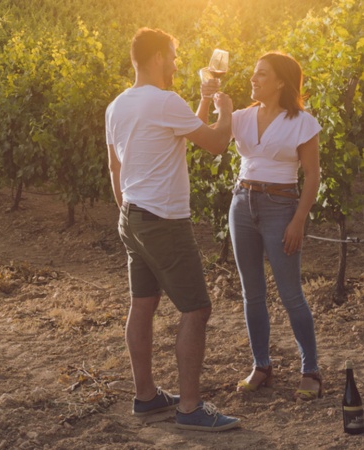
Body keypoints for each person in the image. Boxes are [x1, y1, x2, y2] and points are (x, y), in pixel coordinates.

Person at [105, 27, 240, 431]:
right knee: (197, 308)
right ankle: (191, 409)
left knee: (143, 304)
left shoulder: (118, 105)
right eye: (174, 56)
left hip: (132, 216)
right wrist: (226, 109)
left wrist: (201, 101)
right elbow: (215, 142)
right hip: (164, 220)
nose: (178, 64)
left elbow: (119, 165)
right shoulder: (163, 101)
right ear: (159, 57)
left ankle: (145, 397)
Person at [228, 52, 322, 399]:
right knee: (251, 293)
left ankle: (310, 369)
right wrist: (208, 98)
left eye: (262, 74)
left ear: (281, 81)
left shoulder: (302, 122)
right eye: (254, 73)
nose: (254, 79)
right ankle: (261, 365)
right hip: (241, 203)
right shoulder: (240, 116)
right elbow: (206, 136)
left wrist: (299, 219)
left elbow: (312, 175)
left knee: (290, 294)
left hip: (281, 206)